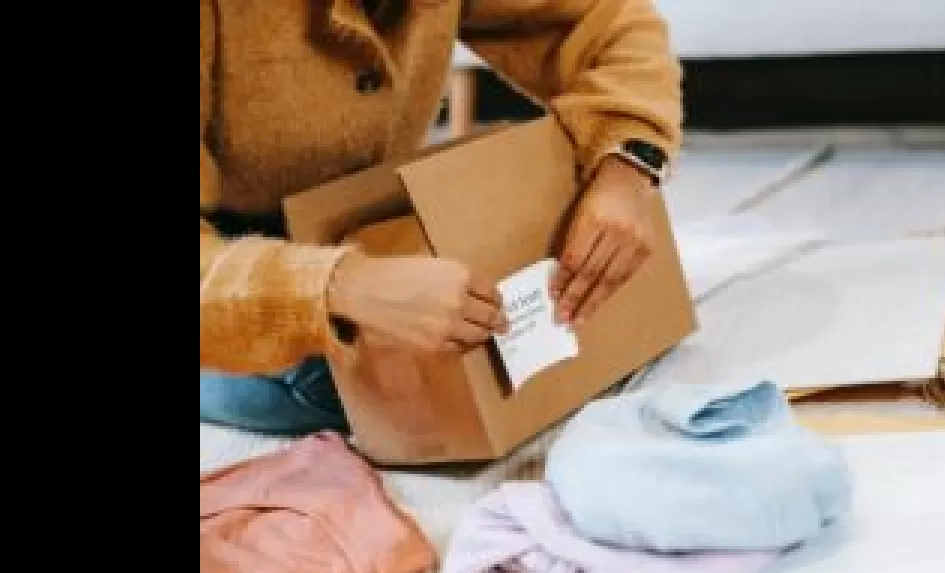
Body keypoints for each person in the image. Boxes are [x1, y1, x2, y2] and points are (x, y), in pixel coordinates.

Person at [200, 0, 682, 435]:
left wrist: (629, 164)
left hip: (360, 227)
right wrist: (340, 285)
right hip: (231, 271)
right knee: (375, 390)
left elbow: (611, 22)